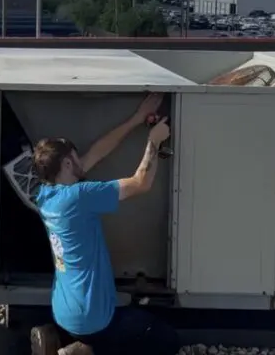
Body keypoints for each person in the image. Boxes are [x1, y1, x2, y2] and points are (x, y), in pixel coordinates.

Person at [28, 93, 181, 355]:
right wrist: (153, 141)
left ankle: (68, 344)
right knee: (165, 341)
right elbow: (140, 183)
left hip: (65, 311)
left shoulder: (47, 195)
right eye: (76, 158)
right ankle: (74, 352)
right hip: (92, 319)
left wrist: (136, 118)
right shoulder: (80, 196)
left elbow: (96, 153)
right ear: (67, 163)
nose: (82, 161)